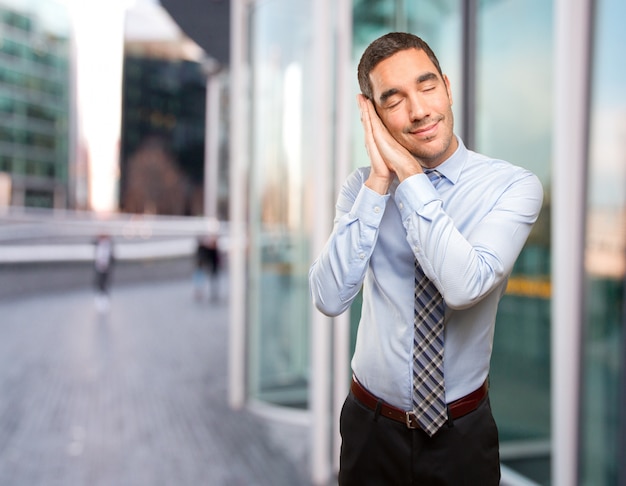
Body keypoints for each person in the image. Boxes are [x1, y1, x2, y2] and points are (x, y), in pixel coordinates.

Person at [309, 32, 543, 485]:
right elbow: (329, 297)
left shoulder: (512, 186)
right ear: (373, 115)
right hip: (369, 427)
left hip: (462, 435)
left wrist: (410, 175)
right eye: (393, 100)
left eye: (427, 86)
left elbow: (464, 286)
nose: (418, 111)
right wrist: (380, 181)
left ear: (448, 88)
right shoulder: (362, 190)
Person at [93, 234, 114, 312]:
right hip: (99, 268)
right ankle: (100, 299)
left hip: (107, 269)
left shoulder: (110, 245)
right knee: (99, 283)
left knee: (105, 283)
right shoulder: (98, 244)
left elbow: (112, 257)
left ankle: (105, 300)